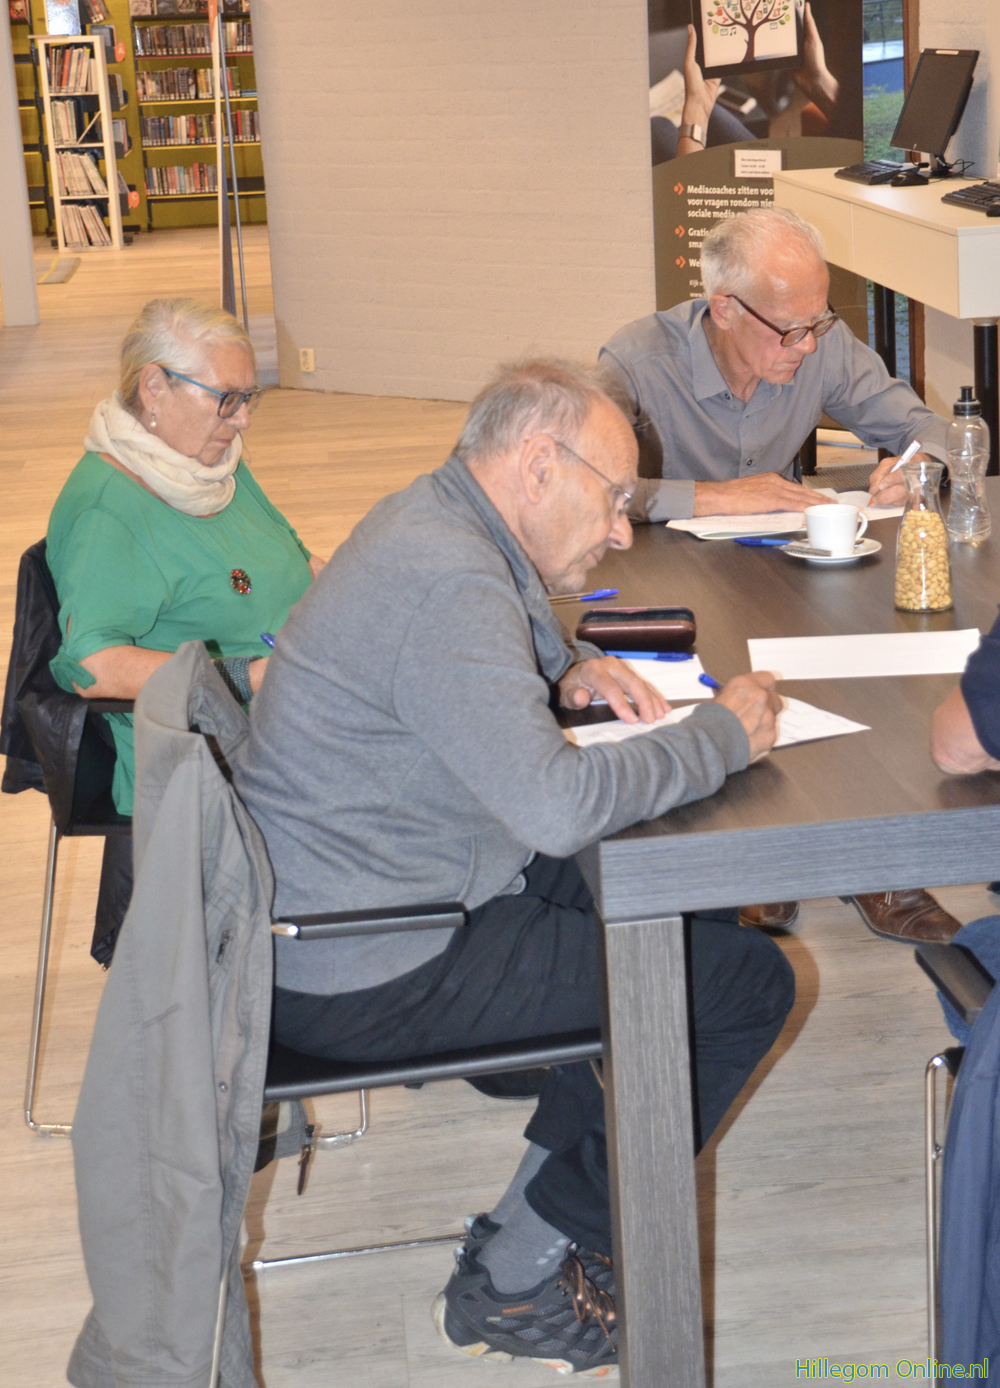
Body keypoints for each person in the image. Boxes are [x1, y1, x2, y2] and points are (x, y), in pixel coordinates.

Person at [233, 359, 796, 1376]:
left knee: (677, 914)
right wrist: (719, 737)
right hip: (367, 957)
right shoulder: (450, 577)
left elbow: (459, 685)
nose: (621, 532)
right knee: (741, 984)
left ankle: (532, 1233)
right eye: (613, 499)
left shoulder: (432, 519)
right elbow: (555, 803)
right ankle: (523, 1275)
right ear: (540, 464)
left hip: (363, 897)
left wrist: (561, 672)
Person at [600, 207, 960, 944]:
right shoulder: (636, 361)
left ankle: (873, 858)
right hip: (660, 571)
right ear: (724, 308)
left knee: (867, 670)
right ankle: (758, 863)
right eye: (790, 329)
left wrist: (916, 469)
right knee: (723, 683)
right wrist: (712, 497)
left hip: (779, 562)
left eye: (817, 322)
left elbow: (927, 430)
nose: (808, 344)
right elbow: (588, 490)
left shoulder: (818, 343)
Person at [46, 297, 321, 951]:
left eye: (248, 398)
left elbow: (295, 560)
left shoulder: (212, 466)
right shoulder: (111, 510)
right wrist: (245, 676)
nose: (243, 419)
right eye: (227, 399)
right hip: (211, 745)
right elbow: (92, 665)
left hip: (294, 697)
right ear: (154, 387)